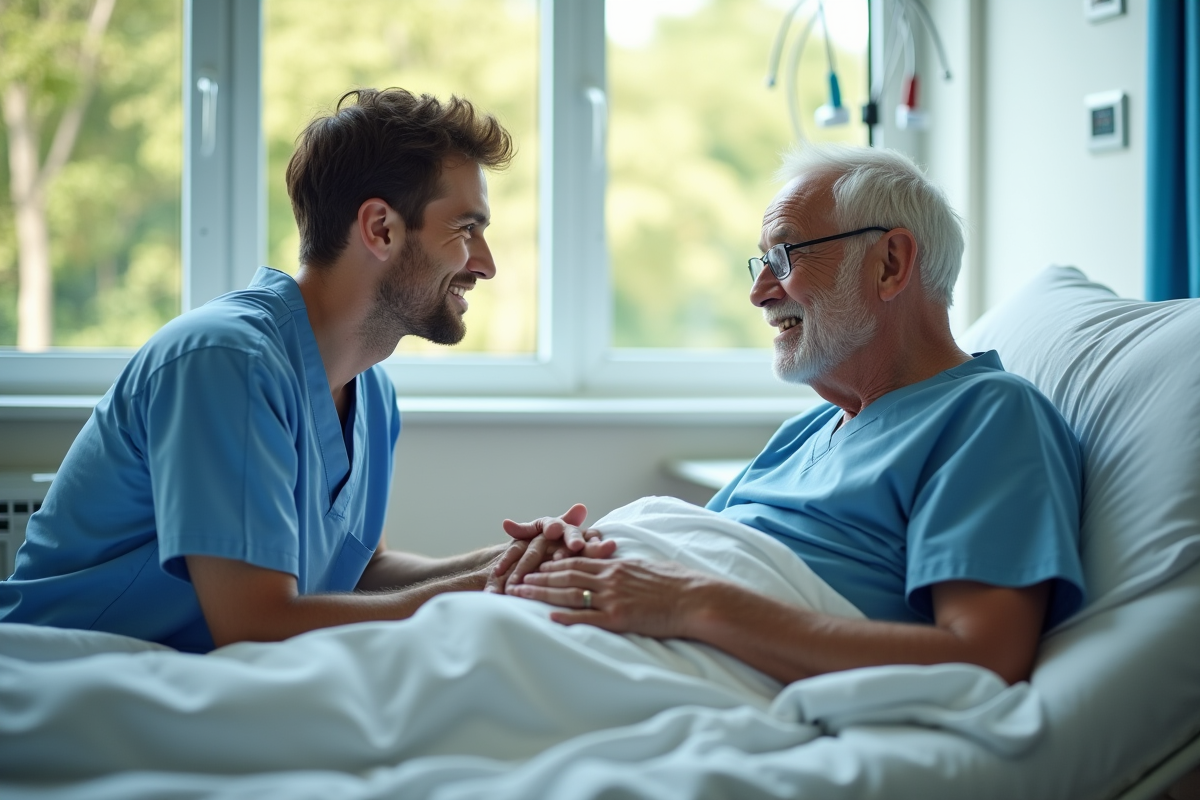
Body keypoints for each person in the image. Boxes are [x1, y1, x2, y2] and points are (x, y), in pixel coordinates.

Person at [0, 88, 609, 653]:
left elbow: (363, 572)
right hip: (65, 677)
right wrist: (487, 591)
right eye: (466, 228)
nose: (487, 264)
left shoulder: (370, 391)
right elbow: (255, 625)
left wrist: (512, 562)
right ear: (381, 228)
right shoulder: (224, 363)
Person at [499, 144, 1085, 686]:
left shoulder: (988, 416)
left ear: (890, 263)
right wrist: (583, 551)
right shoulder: (801, 434)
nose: (758, 292)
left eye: (783, 256)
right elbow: (686, 558)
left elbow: (982, 659)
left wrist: (697, 606)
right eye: (759, 264)